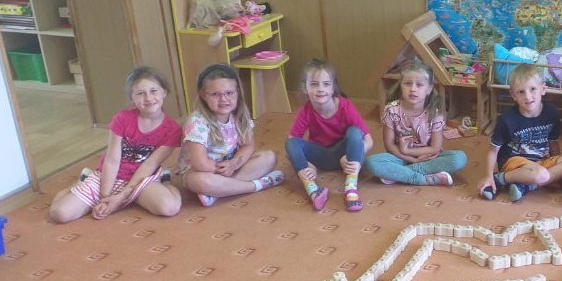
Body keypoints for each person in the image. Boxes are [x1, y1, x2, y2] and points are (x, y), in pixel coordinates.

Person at [49, 66, 183, 223]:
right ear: (132, 97)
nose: (148, 98)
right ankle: (81, 182)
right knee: (59, 214)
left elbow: (149, 164)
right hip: (110, 175)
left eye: (153, 91)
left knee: (170, 207)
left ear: (164, 92)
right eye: (140, 93)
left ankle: (165, 180)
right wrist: (105, 198)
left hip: (141, 178)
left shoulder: (173, 130)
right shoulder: (122, 119)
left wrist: (123, 195)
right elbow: (112, 160)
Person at [180, 63, 284, 207]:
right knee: (201, 181)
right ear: (203, 95)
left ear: (237, 92)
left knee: (269, 157)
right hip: (202, 171)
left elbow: (248, 146)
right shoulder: (197, 122)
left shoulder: (239, 115)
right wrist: (224, 169)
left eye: (229, 93)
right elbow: (200, 163)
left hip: (230, 166)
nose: (223, 99)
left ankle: (218, 191)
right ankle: (256, 185)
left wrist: (233, 164)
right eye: (215, 94)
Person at [286, 59, 373, 212]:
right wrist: (308, 164)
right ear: (305, 87)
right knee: (290, 143)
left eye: (326, 84)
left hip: (344, 156)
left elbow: (368, 140)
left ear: (333, 88)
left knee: (355, 132)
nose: (320, 89)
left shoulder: (345, 106)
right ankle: (313, 190)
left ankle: (351, 187)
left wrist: (354, 157)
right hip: (319, 157)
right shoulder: (306, 111)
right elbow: (291, 145)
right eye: (314, 84)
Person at [364, 59, 466, 186]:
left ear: (429, 89)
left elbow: (435, 148)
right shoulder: (391, 110)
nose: (413, 89)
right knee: (371, 163)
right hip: (399, 157)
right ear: (401, 86)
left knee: (459, 158)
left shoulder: (435, 113)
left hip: (428, 158)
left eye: (419, 85)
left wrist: (408, 151)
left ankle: (401, 173)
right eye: (407, 84)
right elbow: (389, 145)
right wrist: (411, 159)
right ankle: (423, 179)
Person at [479, 63, 562, 202]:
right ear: (513, 95)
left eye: (533, 89)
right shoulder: (507, 119)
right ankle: (499, 179)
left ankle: (525, 186)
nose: (528, 97)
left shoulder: (552, 113)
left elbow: (553, 143)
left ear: (543, 89)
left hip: (540, 162)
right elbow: (493, 151)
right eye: (520, 92)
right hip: (514, 162)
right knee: (543, 175)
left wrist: (556, 167)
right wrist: (488, 176)